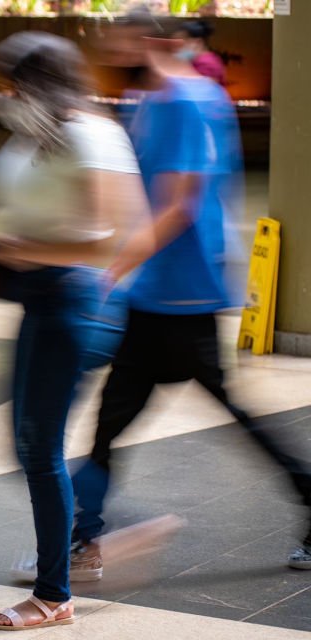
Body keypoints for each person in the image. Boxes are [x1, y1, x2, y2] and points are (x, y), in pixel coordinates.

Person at [70, 13, 311, 579]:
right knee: (114, 422)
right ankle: (83, 536)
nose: (110, 46)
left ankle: (82, 538)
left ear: (155, 42)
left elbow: (180, 204)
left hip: (182, 295)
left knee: (193, 416)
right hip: (156, 292)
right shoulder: (150, 100)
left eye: (123, 36)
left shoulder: (183, 101)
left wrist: (115, 266)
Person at [0, 32, 149, 630]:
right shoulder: (38, 134)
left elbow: (106, 235)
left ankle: (55, 593)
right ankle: (90, 533)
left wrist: (19, 248)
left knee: (38, 446)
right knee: (26, 446)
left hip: (75, 301)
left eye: (11, 84)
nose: (3, 96)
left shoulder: (91, 135)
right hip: (37, 300)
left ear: (39, 83)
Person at [175, 19, 226, 86]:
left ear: (197, 42)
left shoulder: (207, 64)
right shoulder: (195, 60)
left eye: (181, 42)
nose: (177, 47)